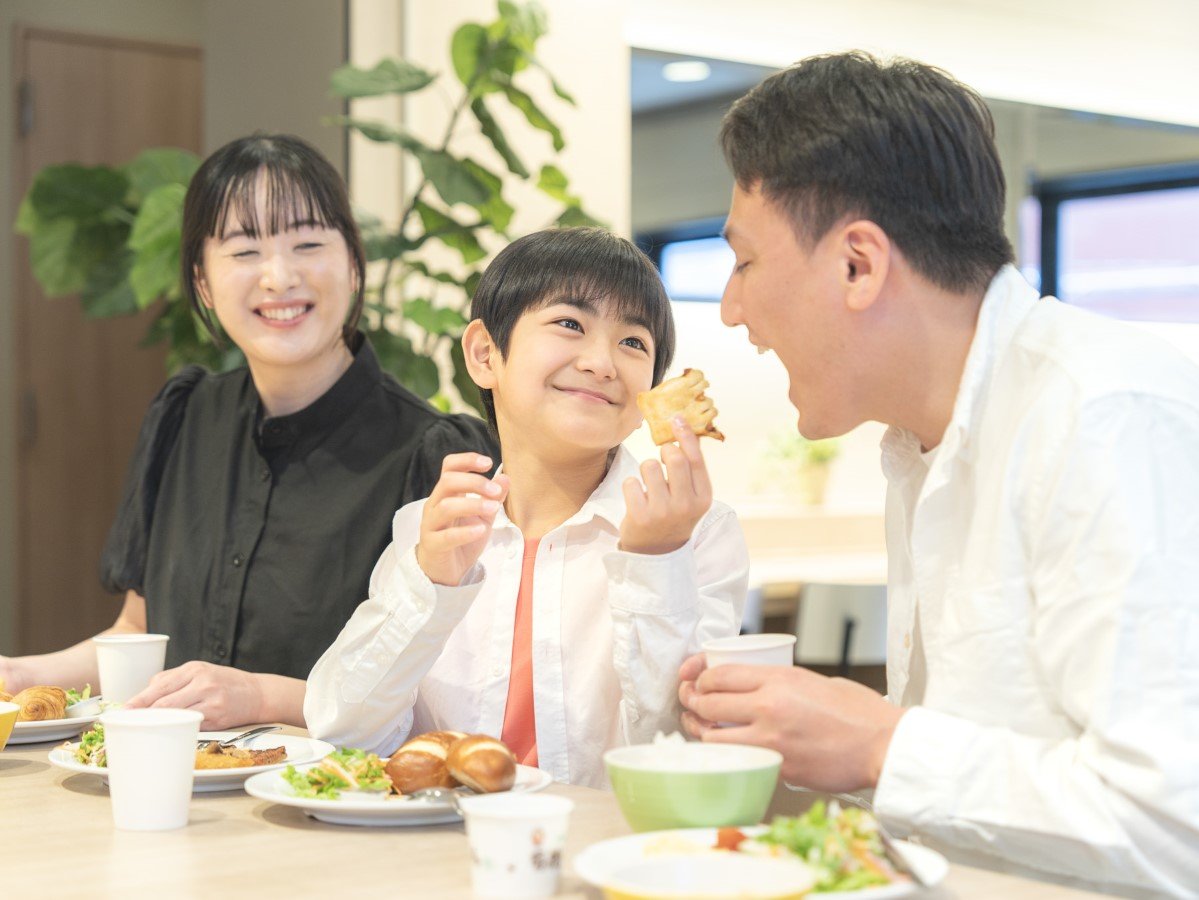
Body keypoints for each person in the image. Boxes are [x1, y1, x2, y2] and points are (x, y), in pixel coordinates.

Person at [676, 52, 1199, 896]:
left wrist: (881, 743)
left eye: (741, 263)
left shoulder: (1104, 415)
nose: (732, 310)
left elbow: (1175, 821)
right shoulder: (918, 444)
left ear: (858, 263)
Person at [0, 134, 496, 729]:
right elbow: (137, 629)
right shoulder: (182, 419)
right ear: (203, 281)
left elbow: (449, 701)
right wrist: (22, 676)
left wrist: (262, 698)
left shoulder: (437, 457)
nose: (278, 277)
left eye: (308, 243)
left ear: (352, 260)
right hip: (173, 792)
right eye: (243, 252)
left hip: (341, 808)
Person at [305, 227, 748, 787]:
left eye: (633, 342)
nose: (602, 362)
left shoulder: (698, 534)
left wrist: (655, 563)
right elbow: (341, 731)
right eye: (570, 324)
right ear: (486, 354)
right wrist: (430, 584)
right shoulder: (433, 528)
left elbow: (682, 756)